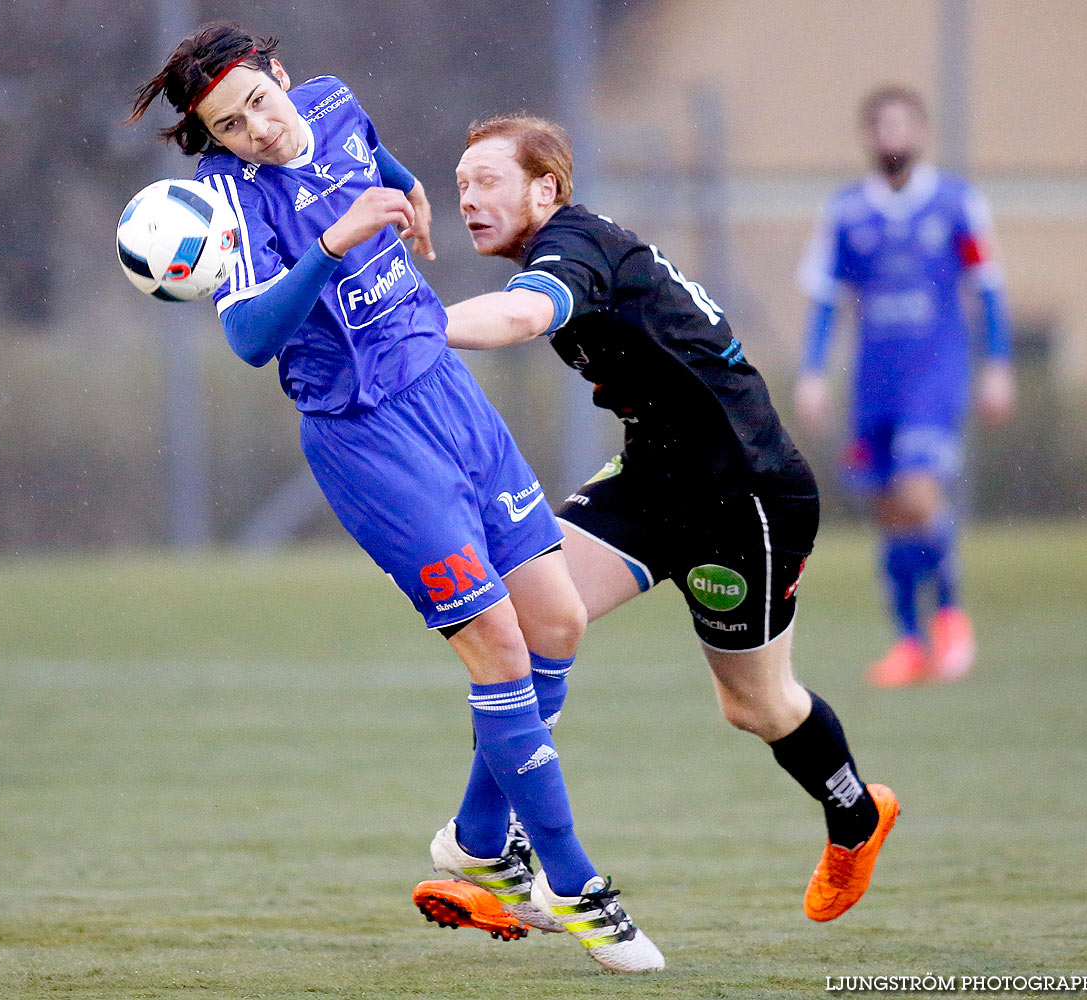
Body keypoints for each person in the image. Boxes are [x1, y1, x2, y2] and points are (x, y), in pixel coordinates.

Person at [127, 24, 663, 973]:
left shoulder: (331, 103)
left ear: (281, 76)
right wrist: (333, 244)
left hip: (447, 394)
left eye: (258, 100)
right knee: (496, 645)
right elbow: (251, 337)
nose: (256, 126)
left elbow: (380, 161)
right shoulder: (220, 201)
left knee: (557, 623)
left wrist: (412, 196)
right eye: (229, 123)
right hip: (364, 437)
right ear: (211, 136)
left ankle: (472, 841)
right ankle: (573, 885)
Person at [413, 113, 898, 929]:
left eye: (487, 181)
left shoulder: (573, 247)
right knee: (524, 613)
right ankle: (492, 851)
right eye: (460, 185)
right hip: (653, 479)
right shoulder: (561, 248)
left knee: (756, 707)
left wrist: (400, 323)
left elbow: (520, 318)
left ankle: (855, 812)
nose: (468, 199)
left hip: (746, 498)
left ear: (546, 187)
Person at [795, 85, 1015, 688]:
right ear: (869, 137)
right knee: (890, 511)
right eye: (881, 126)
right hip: (874, 383)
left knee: (919, 494)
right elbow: (825, 301)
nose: (892, 136)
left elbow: (988, 288)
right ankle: (909, 643)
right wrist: (813, 373)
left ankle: (949, 615)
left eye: (903, 125)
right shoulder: (847, 213)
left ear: (920, 134)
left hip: (936, 376)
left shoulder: (955, 204)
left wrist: (998, 365)